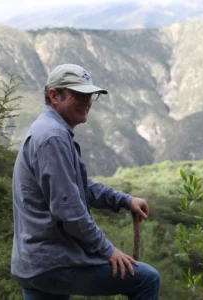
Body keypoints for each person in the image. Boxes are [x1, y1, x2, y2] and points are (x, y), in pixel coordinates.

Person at [11, 64, 160, 300]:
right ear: (54, 95)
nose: (87, 101)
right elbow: (68, 211)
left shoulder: (49, 131)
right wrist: (108, 250)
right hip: (52, 263)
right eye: (79, 94)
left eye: (90, 95)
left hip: (32, 263)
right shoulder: (52, 138)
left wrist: (124, 200)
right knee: (147, 279)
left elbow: (80, 185)